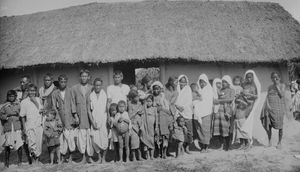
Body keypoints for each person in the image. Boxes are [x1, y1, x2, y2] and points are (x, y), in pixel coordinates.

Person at [51, 74, 77, 163]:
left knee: (69, 138)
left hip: (69, 118)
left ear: (67, 82)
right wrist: (57, 117)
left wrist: (75, 116)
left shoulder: (70, 91)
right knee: (61, 139)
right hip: (60, 118)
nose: (63, 83)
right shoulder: (55, 93)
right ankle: (61, 157)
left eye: (64, 82)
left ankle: (70, 157)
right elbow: (54, 106)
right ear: (58, 82)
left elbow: (73, 104)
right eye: (61, 82)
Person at [233, 70, 260, 150]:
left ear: (253, 78)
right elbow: (240, 93)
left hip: (250, 107)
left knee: (247, 126)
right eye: (247, 77)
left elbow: (256, 96)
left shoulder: (254, 86)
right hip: (242, 106)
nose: (249, 79)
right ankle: (243, 143)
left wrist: (249, 95)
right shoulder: (243, 85)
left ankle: (249, 143)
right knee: (241, 125)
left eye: (250, 77)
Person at [261, 72, 289, 149]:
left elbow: (281, 95)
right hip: (270, 108)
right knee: (268, 125)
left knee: (280, 126)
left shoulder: (282, 85)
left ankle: (279, 142)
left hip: (279, 108)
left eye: (276, 77)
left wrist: (277, 86)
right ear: (271, 78)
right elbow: (267, 96)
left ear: (279, 78)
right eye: (273, 77)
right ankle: (269, 142)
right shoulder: (270, 87)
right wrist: (267, 106)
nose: (275, 79)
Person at [71, 69, 93, 163]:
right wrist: (75, 115)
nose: (84, 78)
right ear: (80, 77)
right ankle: (83, 157)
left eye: (86, 76)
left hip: (89, 116)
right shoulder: (74, 88)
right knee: (81, 138)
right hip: (80, 116)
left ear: (88, 77)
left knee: (90, 137)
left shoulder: (92, 88)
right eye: (82, 76)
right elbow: (72, 102)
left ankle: (90, 157)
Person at [20, 84, 44, 164]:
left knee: (38, 143)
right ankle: (33, 161)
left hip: (38, 125)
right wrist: (24, 128)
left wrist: (35, 102)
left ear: (36, 91)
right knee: (31, 144)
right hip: (29, 125)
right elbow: (22, 116)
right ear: (27, 91)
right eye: (30, 90)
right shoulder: (24, 102)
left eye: (33, 91)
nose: (32, 92)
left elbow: (41, 111)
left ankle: (37, 160)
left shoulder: (39, 99)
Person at [87, 78, 109, 163]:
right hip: (95, 120)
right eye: (96, 85)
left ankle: (104, 158)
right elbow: (89, 110)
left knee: (104, 139)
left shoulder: (104, 94)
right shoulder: (91, 95)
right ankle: (99, 157)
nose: (98, 87)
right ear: (94, 85)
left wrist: (108, 119)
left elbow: (107, 108)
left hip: (103, 119)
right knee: (95, 140)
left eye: (99, 85)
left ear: (101, 85)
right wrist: (92, 122)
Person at [0, 90, 23, 167]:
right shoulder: (4, 105)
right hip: (8, 127)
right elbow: (1, 115)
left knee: (19, 144)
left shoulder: (18, 104)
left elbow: (21, 114)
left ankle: (20, 161)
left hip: (17, 126)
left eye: (13, 96)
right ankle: (7, 162)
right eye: (9, 96)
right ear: (7, 97)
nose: (11, 97)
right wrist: (7, 116)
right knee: (7, 145)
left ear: (15, 96)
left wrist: (17, 114)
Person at [213, 75, 235, 151]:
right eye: (223, 82)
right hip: (219, 110)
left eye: (225, 82)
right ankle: (221, 145)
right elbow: (216, 98)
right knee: (220, 128)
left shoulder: (231, 90)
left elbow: (231, 99)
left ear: (229, 83)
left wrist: (220, 101)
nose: (223, 83)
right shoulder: (221, 90)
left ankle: (228, 145)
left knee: (226, 127)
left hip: (227, 110)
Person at [194, 74, 214, 152]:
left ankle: (206, 146)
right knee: (200, 130)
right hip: (199, 113)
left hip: (207, 113)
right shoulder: (198, 90)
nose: (202, 84)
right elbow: (195, 100)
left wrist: (200, 99)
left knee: (206, 130)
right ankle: (202, 146)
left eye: (203, 82)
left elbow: (208, 101)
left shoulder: (209, 90)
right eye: (200, 82)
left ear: (206, 82)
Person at [152, 81, 171, 159]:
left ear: (160, 89)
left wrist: (161, 108)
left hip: (163, 119)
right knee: (156, 136)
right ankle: (157, 152)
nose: (156, 91)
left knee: (164, 136)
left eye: (158, 89)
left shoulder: (163, 97)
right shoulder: (151, 97)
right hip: (155, 120)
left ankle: (164, 153)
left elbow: (168, 110)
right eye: (154, 89)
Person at [175, 75, 193, 154]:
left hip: (187, 112)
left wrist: (183, 107)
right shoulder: (176, 89)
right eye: (181, 81)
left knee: (189, 132)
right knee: (180, 131)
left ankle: (187, 147)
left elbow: (189, 101)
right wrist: (177, 106)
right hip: (178, 112)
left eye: (184, 82)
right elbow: (174, 99)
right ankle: (181, 147)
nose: (182, 83)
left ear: (186, 82)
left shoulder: (188, 89)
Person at [140, 94, 158, 160]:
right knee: (145, 141)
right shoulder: (144, 109)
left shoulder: (154, 109)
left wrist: (156, 127)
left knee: (151, 141)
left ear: (153, 102)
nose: (148, 103)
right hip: (145, 127)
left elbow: (156, 118)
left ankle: (152, 156)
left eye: (150, 101)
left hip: (151, 128)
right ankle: (147, 155)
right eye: (147, 101)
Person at [127, 90, 144, 161]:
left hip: (139, 124)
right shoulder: (129, 104)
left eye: (138, 97)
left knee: (140, 141)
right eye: (136, 97)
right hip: (133, 125)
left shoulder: (139, 103)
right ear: (132, 98)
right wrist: (136, 112)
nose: (137, 98)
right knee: (133, 142)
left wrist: (140, 112)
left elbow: (142, 112)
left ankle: (139, 156)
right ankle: (133, 157)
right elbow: (129, 116)